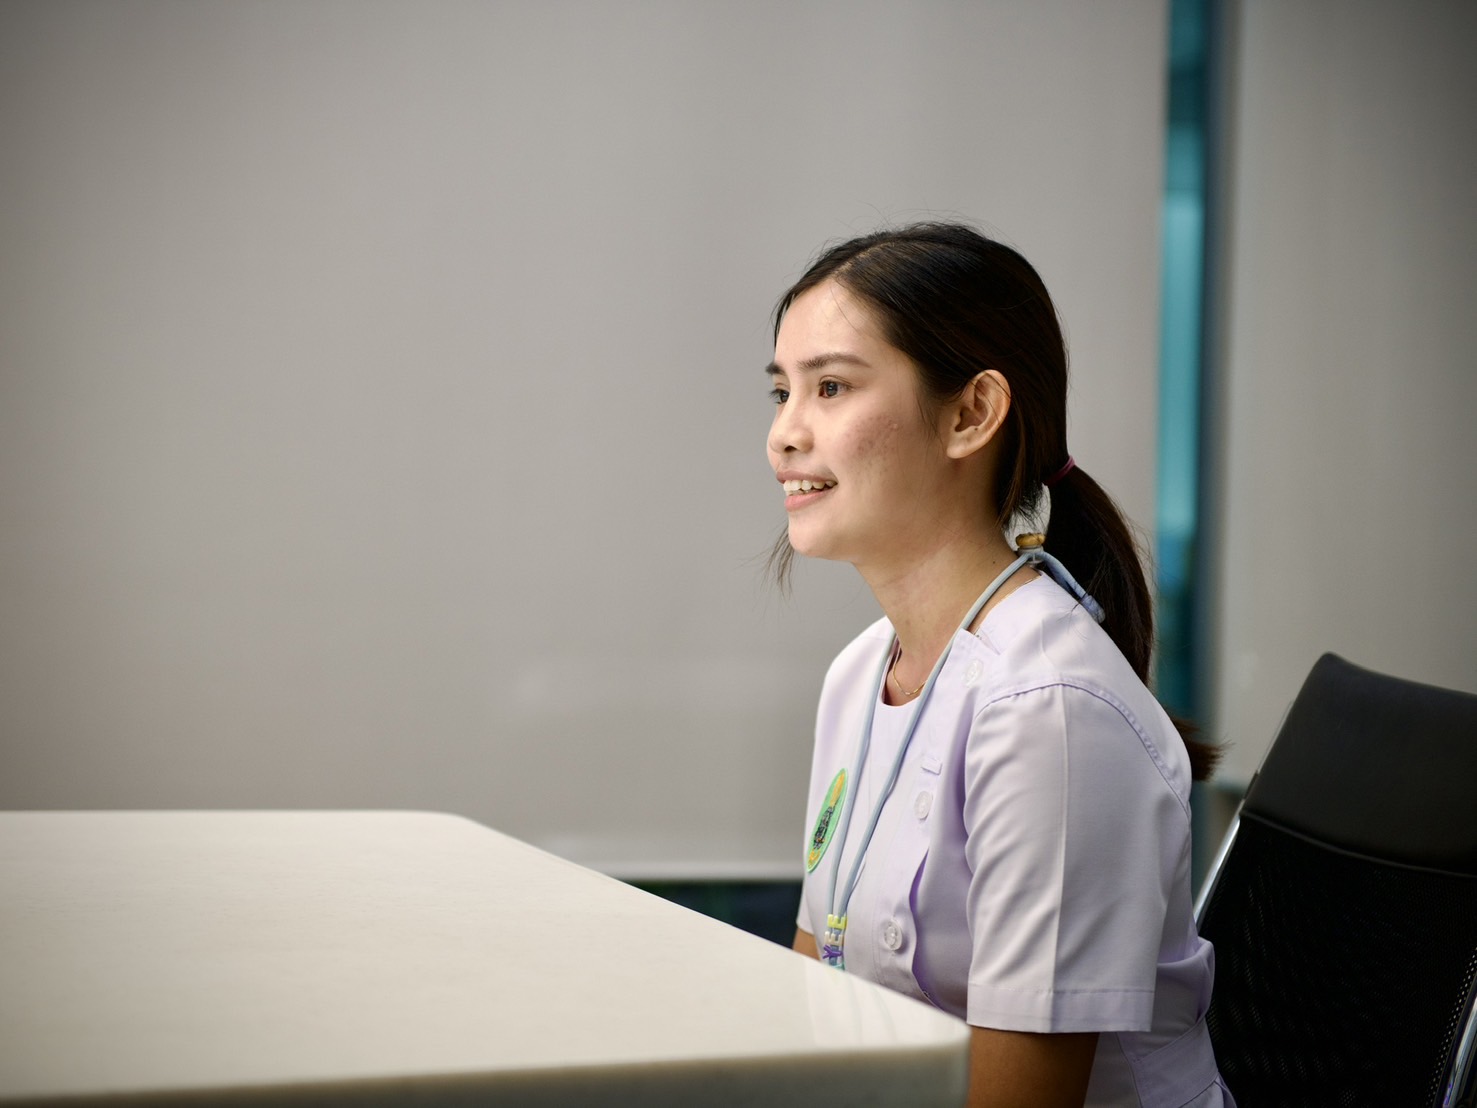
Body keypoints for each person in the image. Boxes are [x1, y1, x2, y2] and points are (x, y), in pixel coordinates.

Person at [768, 223, 1231, 1108]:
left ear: (970, 414)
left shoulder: (1049, 709)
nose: (784, 434)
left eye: (829, 387)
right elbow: (815, 980)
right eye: (781, 390)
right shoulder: (859, 674)